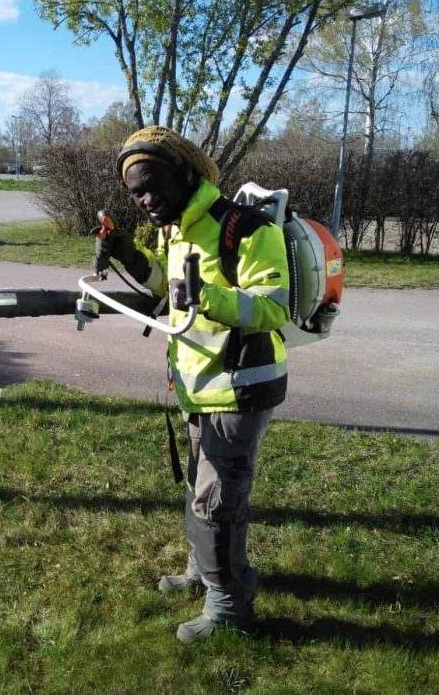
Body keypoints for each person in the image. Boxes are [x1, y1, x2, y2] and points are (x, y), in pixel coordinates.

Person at [100, 126, 290, 644]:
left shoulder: (245, 229)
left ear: (185, 173)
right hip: (197, 382)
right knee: (198, 487)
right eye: (136, 193)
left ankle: (229, 604)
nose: (145, 200)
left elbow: (274, 306)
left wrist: (209, 298)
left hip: (241, 383)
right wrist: (128, 253)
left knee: (217, 500)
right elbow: (169, 288)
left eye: (153, 185)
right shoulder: (175, 227)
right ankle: (202, 568)